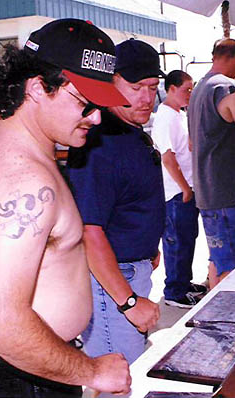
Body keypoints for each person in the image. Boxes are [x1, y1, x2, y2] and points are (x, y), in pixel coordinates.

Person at [0, 19, 132, 397]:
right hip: (23, 371)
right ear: (38, 87)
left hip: (17, 361)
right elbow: (0, 324)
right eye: (85, 103)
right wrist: (92, 371)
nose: (96, 117)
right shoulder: (24, 179)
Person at [67, 39, 164, 365]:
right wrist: (129, 302)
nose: (146, 98)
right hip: (112, 285)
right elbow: (88, 231)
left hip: (130, 272)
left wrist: (148, 247)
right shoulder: (100, 142)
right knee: (120, 379)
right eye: (135, 88)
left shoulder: (129, 131)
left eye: (153, 87)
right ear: (111, 83)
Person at [188, 38, 235, 288]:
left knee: (217, 259)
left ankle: (212, 304)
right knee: (234, 267)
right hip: (228, 192)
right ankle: (228, 310)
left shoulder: (198, 88)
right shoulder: (229, 89)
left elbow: (192, 142)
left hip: (206, 190)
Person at [151, 70, 206, 308]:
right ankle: (174, 291)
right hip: (176, 191)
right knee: (177, 242)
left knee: (188, 239)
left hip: (188, 187)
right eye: (186, 90)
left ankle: (183, 282)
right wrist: (184, 187)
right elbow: (168, 157)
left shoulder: (179, 114)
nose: (190, 94)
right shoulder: (165, 117)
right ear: (171, 89)